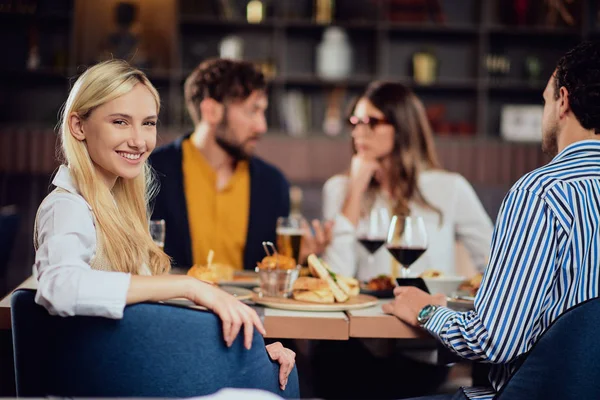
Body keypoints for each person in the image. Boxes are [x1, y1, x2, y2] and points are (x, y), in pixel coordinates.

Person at [33, 59, 295, 391]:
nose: (139, 140)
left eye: (148, 123)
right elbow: (60, 287)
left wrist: (250, 351)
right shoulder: (66, 206)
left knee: (271, 377)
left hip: (136, 368)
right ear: (78, 126)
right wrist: (189, 286)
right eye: (120, 122)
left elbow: (148, 311)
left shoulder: (119, 205)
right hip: (111, 382)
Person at [383, 40, 600, 399]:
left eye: (545, 100)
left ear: (563, 100)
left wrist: (425, 311)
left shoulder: (541, 193)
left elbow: (493, 340)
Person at [150, 58, 331, 272]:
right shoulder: (151, 171)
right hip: (173, 303)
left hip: (248, 305)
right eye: (252, 111)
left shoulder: (273, 184)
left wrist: (299, 259)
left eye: (263, 112)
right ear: (211, 111)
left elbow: (274, 270)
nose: (262, 126)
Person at [323, 81, 493, 282]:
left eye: (372, 122)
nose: (358, 132)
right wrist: (356, 190)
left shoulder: (451, 188)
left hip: (431, 311)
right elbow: (335, 278)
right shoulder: (339, 188)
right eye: (355, 122)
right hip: (367, 311)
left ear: (402, 126)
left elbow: (495, 261)